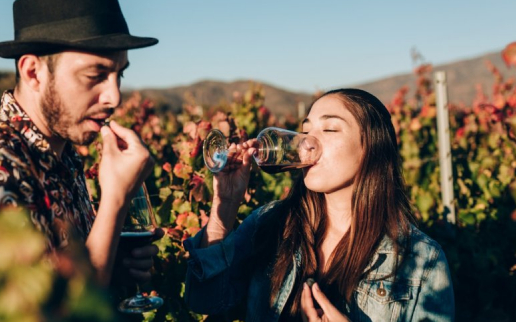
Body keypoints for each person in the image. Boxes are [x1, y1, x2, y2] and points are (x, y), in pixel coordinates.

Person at [0, 0, 160, 299]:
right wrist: (115, 201)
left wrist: (113, 261)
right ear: (33, 72)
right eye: (95, 75)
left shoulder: (61, 154)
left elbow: (64, 279)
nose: (114, 96)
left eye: (119, 74)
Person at [184, 88, 455, 321]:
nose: (307, 144)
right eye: (304, 131)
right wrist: (226, 203)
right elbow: (205, 302)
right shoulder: (268, 224)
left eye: (329, 129)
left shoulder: (421, 261)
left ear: (372, 147)